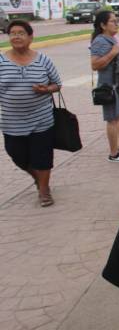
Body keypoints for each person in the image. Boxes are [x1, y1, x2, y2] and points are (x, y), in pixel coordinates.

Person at [0, 20, 62, 207]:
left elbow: (57, 84)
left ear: (30, 37)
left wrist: (47, 89)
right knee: (17, 155)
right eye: (13, 33)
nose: (16, 36)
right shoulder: (1, 61)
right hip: (12, 122)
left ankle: (44, 190)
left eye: (21, 33)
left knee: (42, 157)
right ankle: (38, 178)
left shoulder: (43, 60)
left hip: (41, 119)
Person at [90, 10, 119, 162]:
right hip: (109, 87)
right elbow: (95, 65)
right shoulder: (100, 41)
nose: (117, 24)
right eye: (113, 21)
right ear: (103, 25)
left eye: (117, 21)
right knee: (112, 119)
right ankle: (114, 154)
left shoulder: (112, 39)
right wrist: (113, 53)